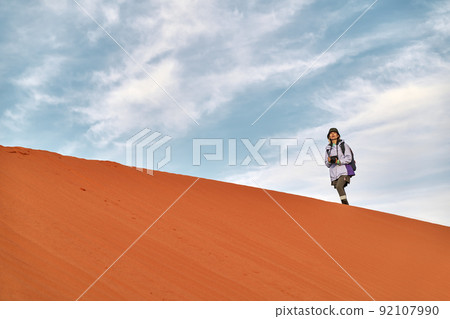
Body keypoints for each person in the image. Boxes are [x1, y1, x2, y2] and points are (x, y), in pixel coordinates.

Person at [325, 128, 353, 205]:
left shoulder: (343, 145)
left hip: (344, 171)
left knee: (339, 186)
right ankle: (344, 205)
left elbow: (349, 158)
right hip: (334, 174)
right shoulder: (328, 149)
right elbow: (327, 164)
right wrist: (330, 161)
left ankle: (345, 205)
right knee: (339, 187)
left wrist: (338, 161)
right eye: (331, 133)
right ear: (329, 136)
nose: (332, 134)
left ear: (338, 135)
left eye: (334, 133)